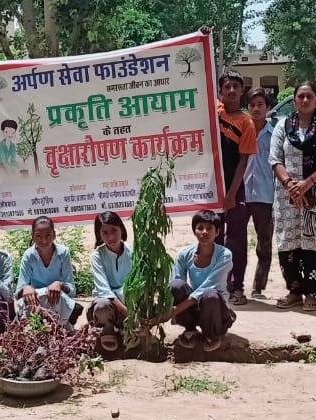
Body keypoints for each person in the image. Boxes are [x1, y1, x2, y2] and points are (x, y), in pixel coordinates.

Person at [271, 81, 316, 310]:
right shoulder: (283, 125)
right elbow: (275, 159)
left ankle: (311, 292)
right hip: (287, 195)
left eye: (309, 96)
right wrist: (291, 185)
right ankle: (293, 292)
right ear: (294, 100)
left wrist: (308, 183)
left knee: (314, 242)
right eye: (300, 96)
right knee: (288, 241)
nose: (304, 100)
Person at [144, 210, 235, 355]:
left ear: (217, 232)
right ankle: (190, 328)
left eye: (209, 228)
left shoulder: (224, 255)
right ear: (194, 231)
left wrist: (171, 313)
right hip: (194, 305)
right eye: (200, 228)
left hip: (215, 307)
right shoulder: (184, 253)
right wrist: (160, 312)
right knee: (176, 285)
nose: (204, 232)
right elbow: (175, 282)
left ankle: (212, 333)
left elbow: (208, 286)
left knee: (210, 294)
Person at [216, 69, 258, 305]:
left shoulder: (246, 122)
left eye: (236, 87)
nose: (231, 90)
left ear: (242, 91)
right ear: (220, 91)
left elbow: (243, 161)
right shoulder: (213, 112)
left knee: (236, 240)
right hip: (210, 189)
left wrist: (231, 194)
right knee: (212, 237)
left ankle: (236, 287)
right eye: (227, 86)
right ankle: (215, 285)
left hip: (234, 189)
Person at [242, 88, 275, 300]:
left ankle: (258, 287)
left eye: (260, 105)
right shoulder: (242, 130)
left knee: (264, 241)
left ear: (268, 107)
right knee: (236, 240)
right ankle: (233, 284)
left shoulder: (275, 133)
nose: (256, 109)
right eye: (252, 105)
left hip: (266, 193)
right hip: (242, 192)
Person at [16, 215, 78, 326]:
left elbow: (72, 290)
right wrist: (26, 288)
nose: (44, 241)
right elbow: (17, 293)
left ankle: (58, 326)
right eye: (39, 236)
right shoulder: (28, 255)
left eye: (48, 235)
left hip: (57, 303)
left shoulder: (63, 253)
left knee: (61, 299)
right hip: (35, 304)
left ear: (54, 235)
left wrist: (60, 284)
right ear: (33, 236)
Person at [89, 211, 133, 353]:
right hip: (111, 305)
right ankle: (108, 330)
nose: (110, 237)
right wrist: (127, 312)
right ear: (99, 235)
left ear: (122, 229)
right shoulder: (97, 255)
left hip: (131, 301)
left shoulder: (134, 251)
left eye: (114, 231)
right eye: (105, 232)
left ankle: (128, 329)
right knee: (102, 304)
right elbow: (104, 290)